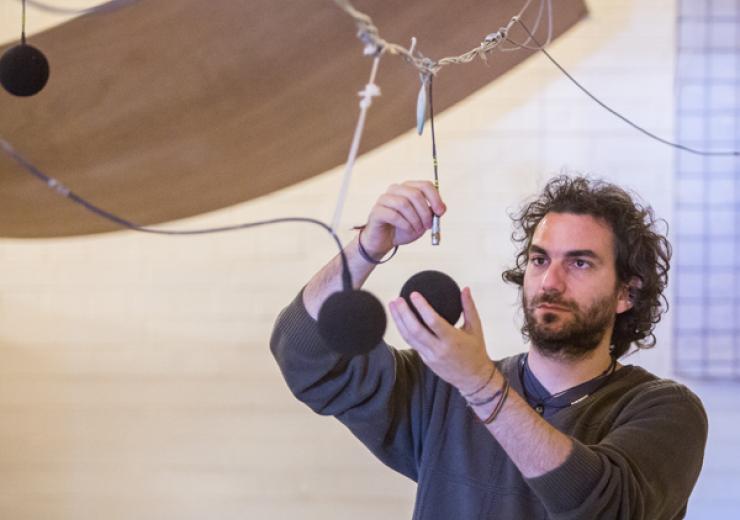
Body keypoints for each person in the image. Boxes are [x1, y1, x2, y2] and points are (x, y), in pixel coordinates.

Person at [270, 175, 708, 519]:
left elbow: (602, 506)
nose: (551, 281)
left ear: (626, 293)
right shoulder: (443, 390)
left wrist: (479, 384)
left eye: (579, 262)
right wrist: (369, 246)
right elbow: (304, 353)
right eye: (540, 260)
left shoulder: (665, 410)